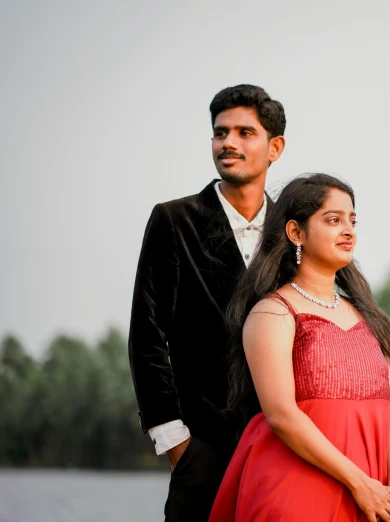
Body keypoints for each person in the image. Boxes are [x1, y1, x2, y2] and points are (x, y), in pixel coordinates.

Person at [208, 174, 390, 522]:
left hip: (378, 493)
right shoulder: (274, 313)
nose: (349, 230)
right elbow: (281, 415)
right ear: (296, 233)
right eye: (333, 220)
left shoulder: (370, 316)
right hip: (299, 491)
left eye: (352, 221)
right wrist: (358, 483)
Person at [128, 84, 286, 521]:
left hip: (282, 448)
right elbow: (147, 334)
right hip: (202, 449)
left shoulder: (292, 233)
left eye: (243, 133)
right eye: (220, 133)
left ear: (275, 147)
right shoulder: (173, 220)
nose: (228, 143)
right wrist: (174, 441)